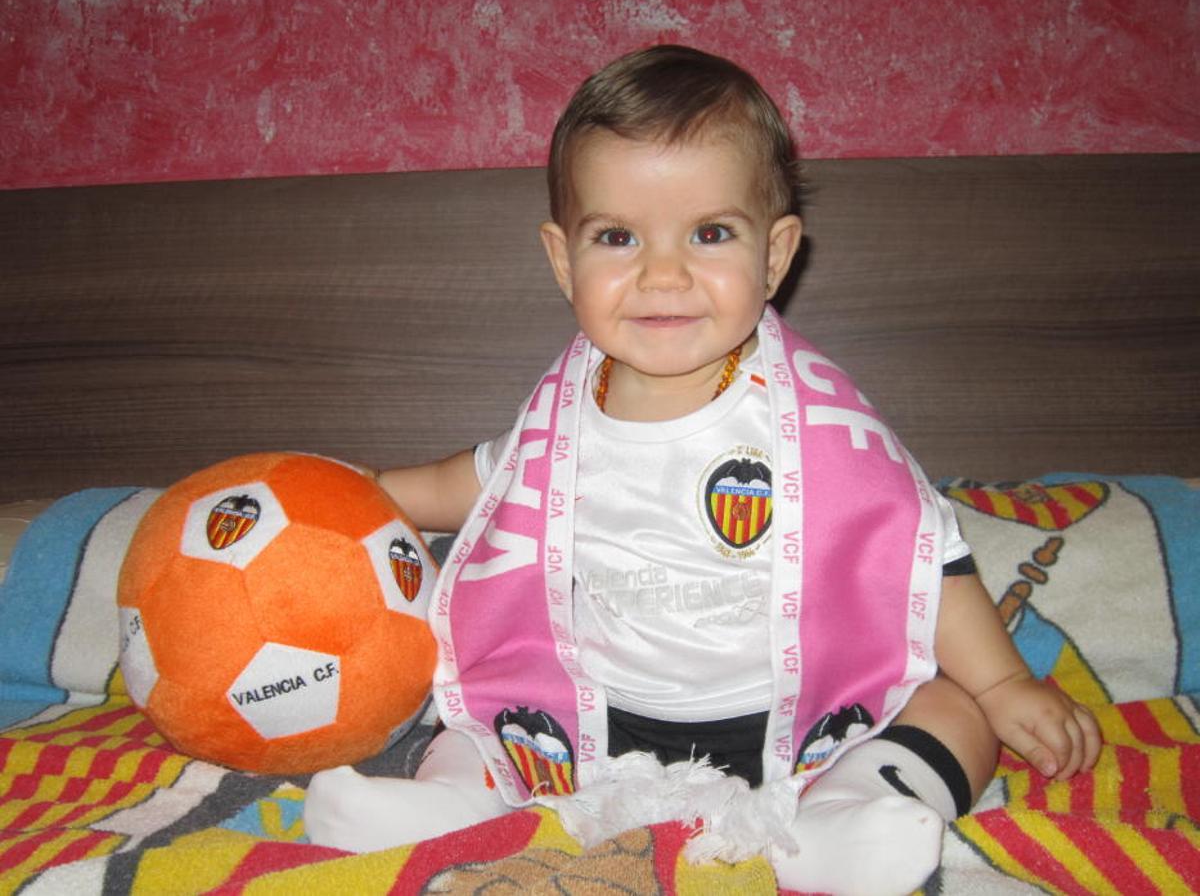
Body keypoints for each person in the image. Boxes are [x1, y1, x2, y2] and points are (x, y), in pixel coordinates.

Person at [304, 44, 1101, 895]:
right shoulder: (565, 414)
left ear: (775, 254)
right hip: (586, 720)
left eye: (710, 233)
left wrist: (1003, 682)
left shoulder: (815, 422)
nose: (663, 273)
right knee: (475, 715)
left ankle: (844, 815)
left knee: (953, 709)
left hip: (797, 716)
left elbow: (918, 548)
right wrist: (368, 489)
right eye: (617, 236)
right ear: (563, 260)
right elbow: (479, 483)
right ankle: (449, 805)